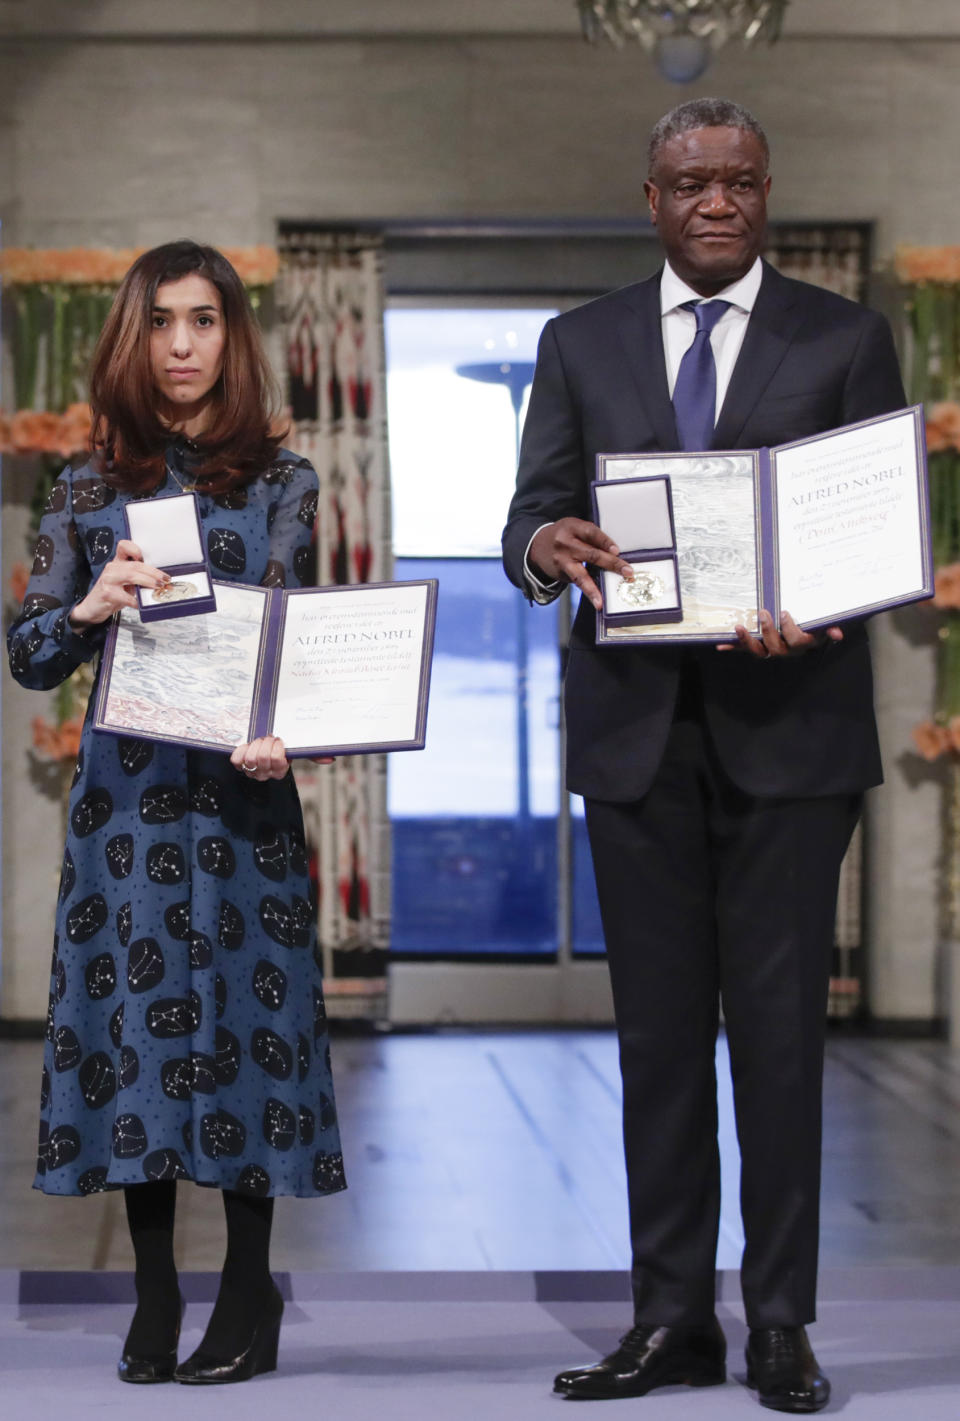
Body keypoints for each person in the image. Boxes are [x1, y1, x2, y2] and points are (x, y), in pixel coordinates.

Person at [502, 99, 905, 1414]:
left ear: (768, 191)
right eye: (692, 182)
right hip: (634, 742)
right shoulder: (579, 341)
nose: (716, 200)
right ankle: (670, 1318)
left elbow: (873, 530)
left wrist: (828, 598)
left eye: (739, 180)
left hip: (794, 739)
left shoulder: (848, 339)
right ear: (652, 196)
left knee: (780, 1046)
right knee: (659, 1047)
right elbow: (531, 515)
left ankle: (779, 1322)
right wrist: (542, 548)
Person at [8, 241, 345, 1385]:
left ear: (232, 335)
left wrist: (285, 723)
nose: (185, 344)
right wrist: (94, 604)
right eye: (161, 322)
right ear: (132, 337)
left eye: (204, 320)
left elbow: (301, 644)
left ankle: (250, 1290)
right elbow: (28, 653)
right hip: (131, 814)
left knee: (249, 1037)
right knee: (138, 1040)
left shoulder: (286, 482)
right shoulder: (89, 487)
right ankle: (154, 1292)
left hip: (244, 803)